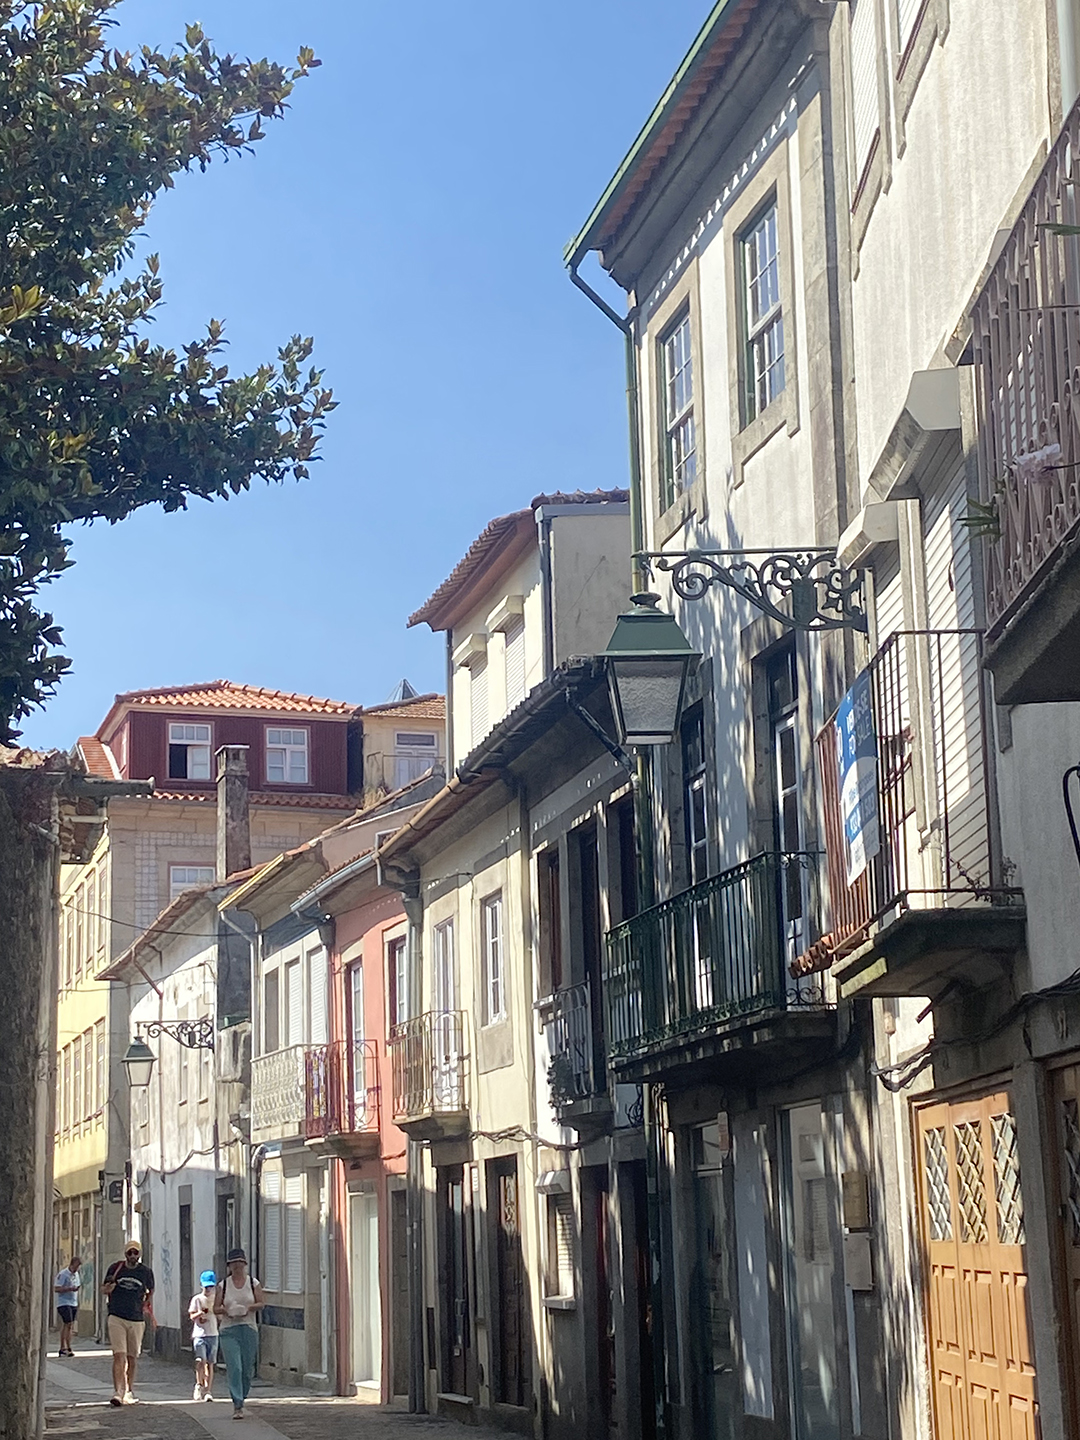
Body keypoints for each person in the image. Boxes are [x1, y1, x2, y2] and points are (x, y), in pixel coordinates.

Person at [102, 1240, 155, 1406]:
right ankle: (118, 1391)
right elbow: (104, 1288)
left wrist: (146, 1304)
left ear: (139, 1254)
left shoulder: (145, 1272)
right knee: (119, 1355)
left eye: (135, 1253)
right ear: (125, 1254)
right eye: (129, 1253)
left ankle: (129, 1390)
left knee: (132, 1358)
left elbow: (151, 1291)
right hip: (116, 1316)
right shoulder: (115, 1268)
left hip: (136, 1318)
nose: (133, 1256)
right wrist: (108, 1289)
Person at [213, 1249, 264, 1419]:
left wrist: (249, 1308)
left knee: (247, 1368)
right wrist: (226, 1311)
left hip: (248, 1327)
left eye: (240, 1262)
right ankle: (237, 1404)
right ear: (229, 1265)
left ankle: (242, 1395)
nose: (237, 1266)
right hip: (229, 1330)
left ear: (245, 1264)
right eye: (234, 1263)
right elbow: (215, 1308)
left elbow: (261, 1303)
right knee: (235, 1366)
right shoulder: (223, 1285)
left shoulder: (253, 1283)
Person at [189, 1270, 219, 1401]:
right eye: (206, 1287)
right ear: (201, 1286)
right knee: (200, 1361)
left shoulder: (216, 1299)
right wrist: (199, 1314)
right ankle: (199, 1385)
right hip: (199, 1334)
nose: (208, 1289)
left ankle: (208, 1390)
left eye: (211, 1286)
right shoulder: (197, 1299)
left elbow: (220, 1314)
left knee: (210, 1363)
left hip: (213, 1333)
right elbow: (191, 1315)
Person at [54, 1255, 81, 1357]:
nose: (77, 1269)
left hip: (73, 1302)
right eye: (76, 1267)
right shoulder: (63, 1274)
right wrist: (69, 1289)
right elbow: (56, 1288)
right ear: (72, 1264)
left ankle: (68, 1347)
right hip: (63, 1303)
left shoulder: (76, 1275)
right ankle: (63, 1347)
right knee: (67, 1323)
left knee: (70, 1325)